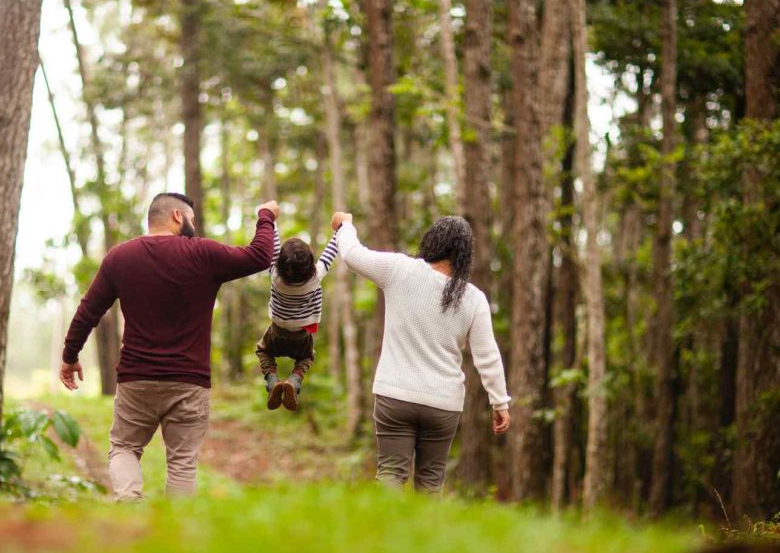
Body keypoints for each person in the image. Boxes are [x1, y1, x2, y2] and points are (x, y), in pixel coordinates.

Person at [59, 193, 279, 501]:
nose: (194, 224)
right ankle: (173, 533)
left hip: (138, 380)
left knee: (124, 448)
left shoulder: (120, 258)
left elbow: (88, 311)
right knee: (182, 464)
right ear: (177, 216)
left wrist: (70, 356)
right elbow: (260, 256)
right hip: (190, 382)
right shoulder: (203, 254)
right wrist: (265, 216)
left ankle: (131, 505)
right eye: (192, 218)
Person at [333, 212, 511, 493]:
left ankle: (381, 536)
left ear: (433, 242)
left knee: (390, 475)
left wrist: (345, 226)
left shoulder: (400, 269)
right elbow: (487, 356)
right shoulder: (473, 298)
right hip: (443, 404)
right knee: (431, 484)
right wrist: (499, 402)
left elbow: (353, 255)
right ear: (465, 256)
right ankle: (425, 537)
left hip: (395, 396)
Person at [255, 221, 339, 411]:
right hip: (301, 333)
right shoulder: (316, 277)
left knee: (264, 351)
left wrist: (272, 222)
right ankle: (294, 381)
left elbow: (274, 245)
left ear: (280, 264)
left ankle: (272, 379)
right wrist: (340, 230)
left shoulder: (275, 275)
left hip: (277, 329)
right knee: (307, 357)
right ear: (310, 263)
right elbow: (331, 252)